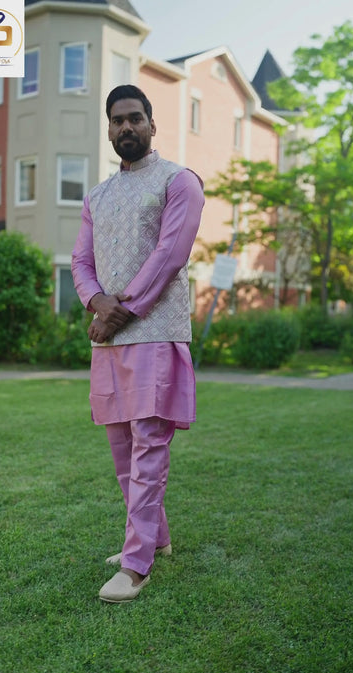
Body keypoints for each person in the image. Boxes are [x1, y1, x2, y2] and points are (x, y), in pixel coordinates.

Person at [71, 84, 204, 603]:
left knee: (148, 449)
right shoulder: (97, 197)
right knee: (123, 454)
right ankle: (156, 540)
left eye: (135, 118)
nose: (126, 127)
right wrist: (95, 302)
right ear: (108, 129)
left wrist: (118, 312)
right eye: (116, 120)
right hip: (109, 341)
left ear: (152, 124)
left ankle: (136, 564)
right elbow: (81, 262)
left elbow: (170, 254)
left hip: (154, 334)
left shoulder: (178, 181)